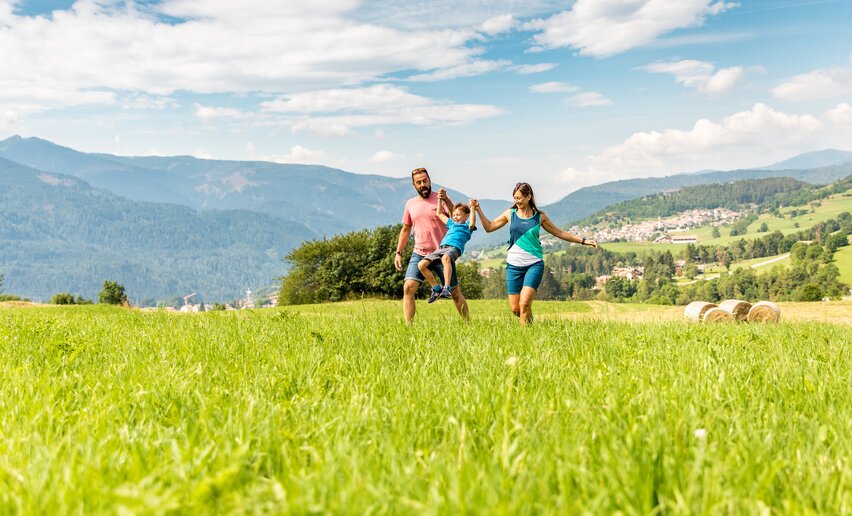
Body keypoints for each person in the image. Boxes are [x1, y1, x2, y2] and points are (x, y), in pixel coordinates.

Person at [472, 182, 598, 325]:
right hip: (513, 265)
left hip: (534, 264)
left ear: (528, 196)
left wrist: (583, 240)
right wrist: (478, 210)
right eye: (514, 198)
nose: (516, 201)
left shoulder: (539, 217)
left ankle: (524, 339)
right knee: (515, 309)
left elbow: (559, 232)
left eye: (519, 198)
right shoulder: (510, 214)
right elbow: (489, 227)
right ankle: (531, 326)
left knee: (524, 304)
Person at [394, 167, 470, 323]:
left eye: (425, 181)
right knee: (408, 288)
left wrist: (447, 199)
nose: (423, 184)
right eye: (419, 182)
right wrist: (398, 253)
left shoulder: (440, 199)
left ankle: (468, 324)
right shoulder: (410, 204)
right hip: (420, 253)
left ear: (429, 181)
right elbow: (406, 228)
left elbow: (455, 216)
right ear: (414, 185)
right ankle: (409, 327)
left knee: (455, 293)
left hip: (442, 253)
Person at [418, 197, 477, 303]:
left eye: (458, 215)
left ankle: (446, 288)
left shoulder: (467, 226)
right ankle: (436, 288)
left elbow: (472, 223)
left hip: (454, 248)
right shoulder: (451, 224)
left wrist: (472, 207)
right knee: (421, 265)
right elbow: (439, 214)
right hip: (441, 248)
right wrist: (439, 200)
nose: (455, 217)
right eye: (454, 215)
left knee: (445, 258)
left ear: (466, 216)